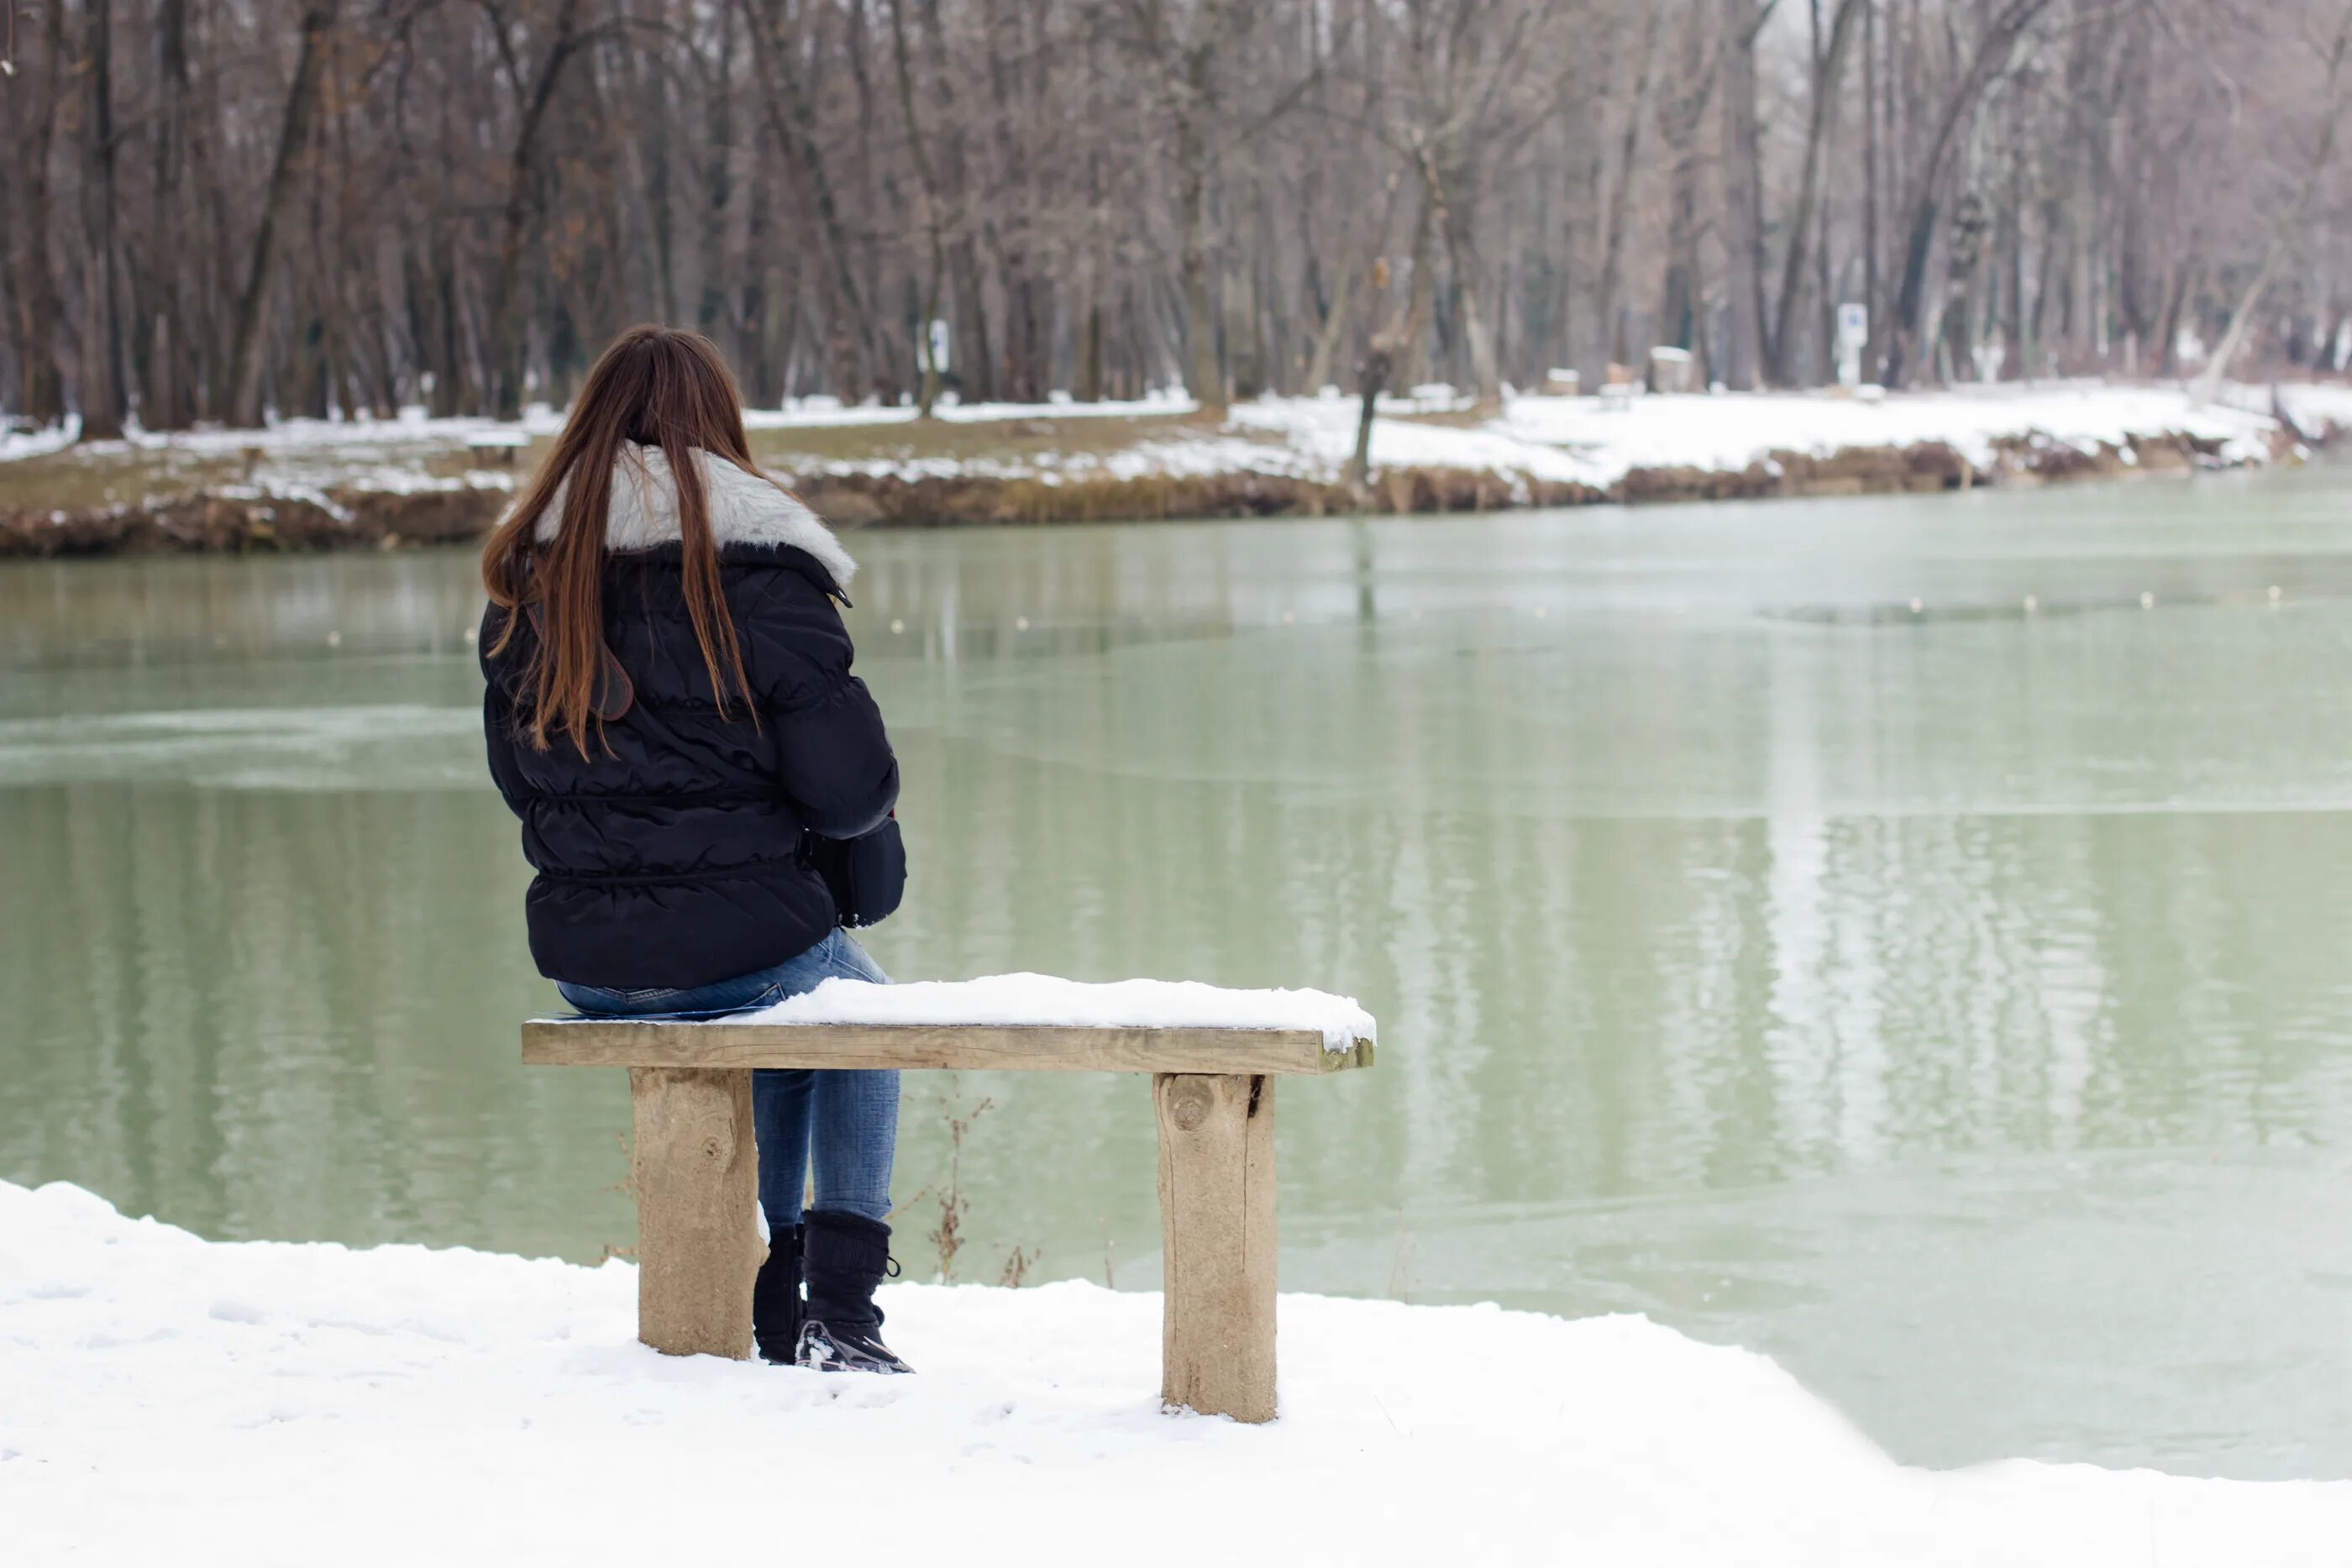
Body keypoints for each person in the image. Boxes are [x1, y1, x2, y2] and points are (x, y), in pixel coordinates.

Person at [478, 324, 911, 1375]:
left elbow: (514, 783)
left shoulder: (532, 582)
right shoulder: (762, 568)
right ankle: (840, 1310)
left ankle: (773, 1280)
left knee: (789, 999)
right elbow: (851, 790)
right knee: (863, 1016)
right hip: (740, 951)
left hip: (587, 964)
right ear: (719, 428)